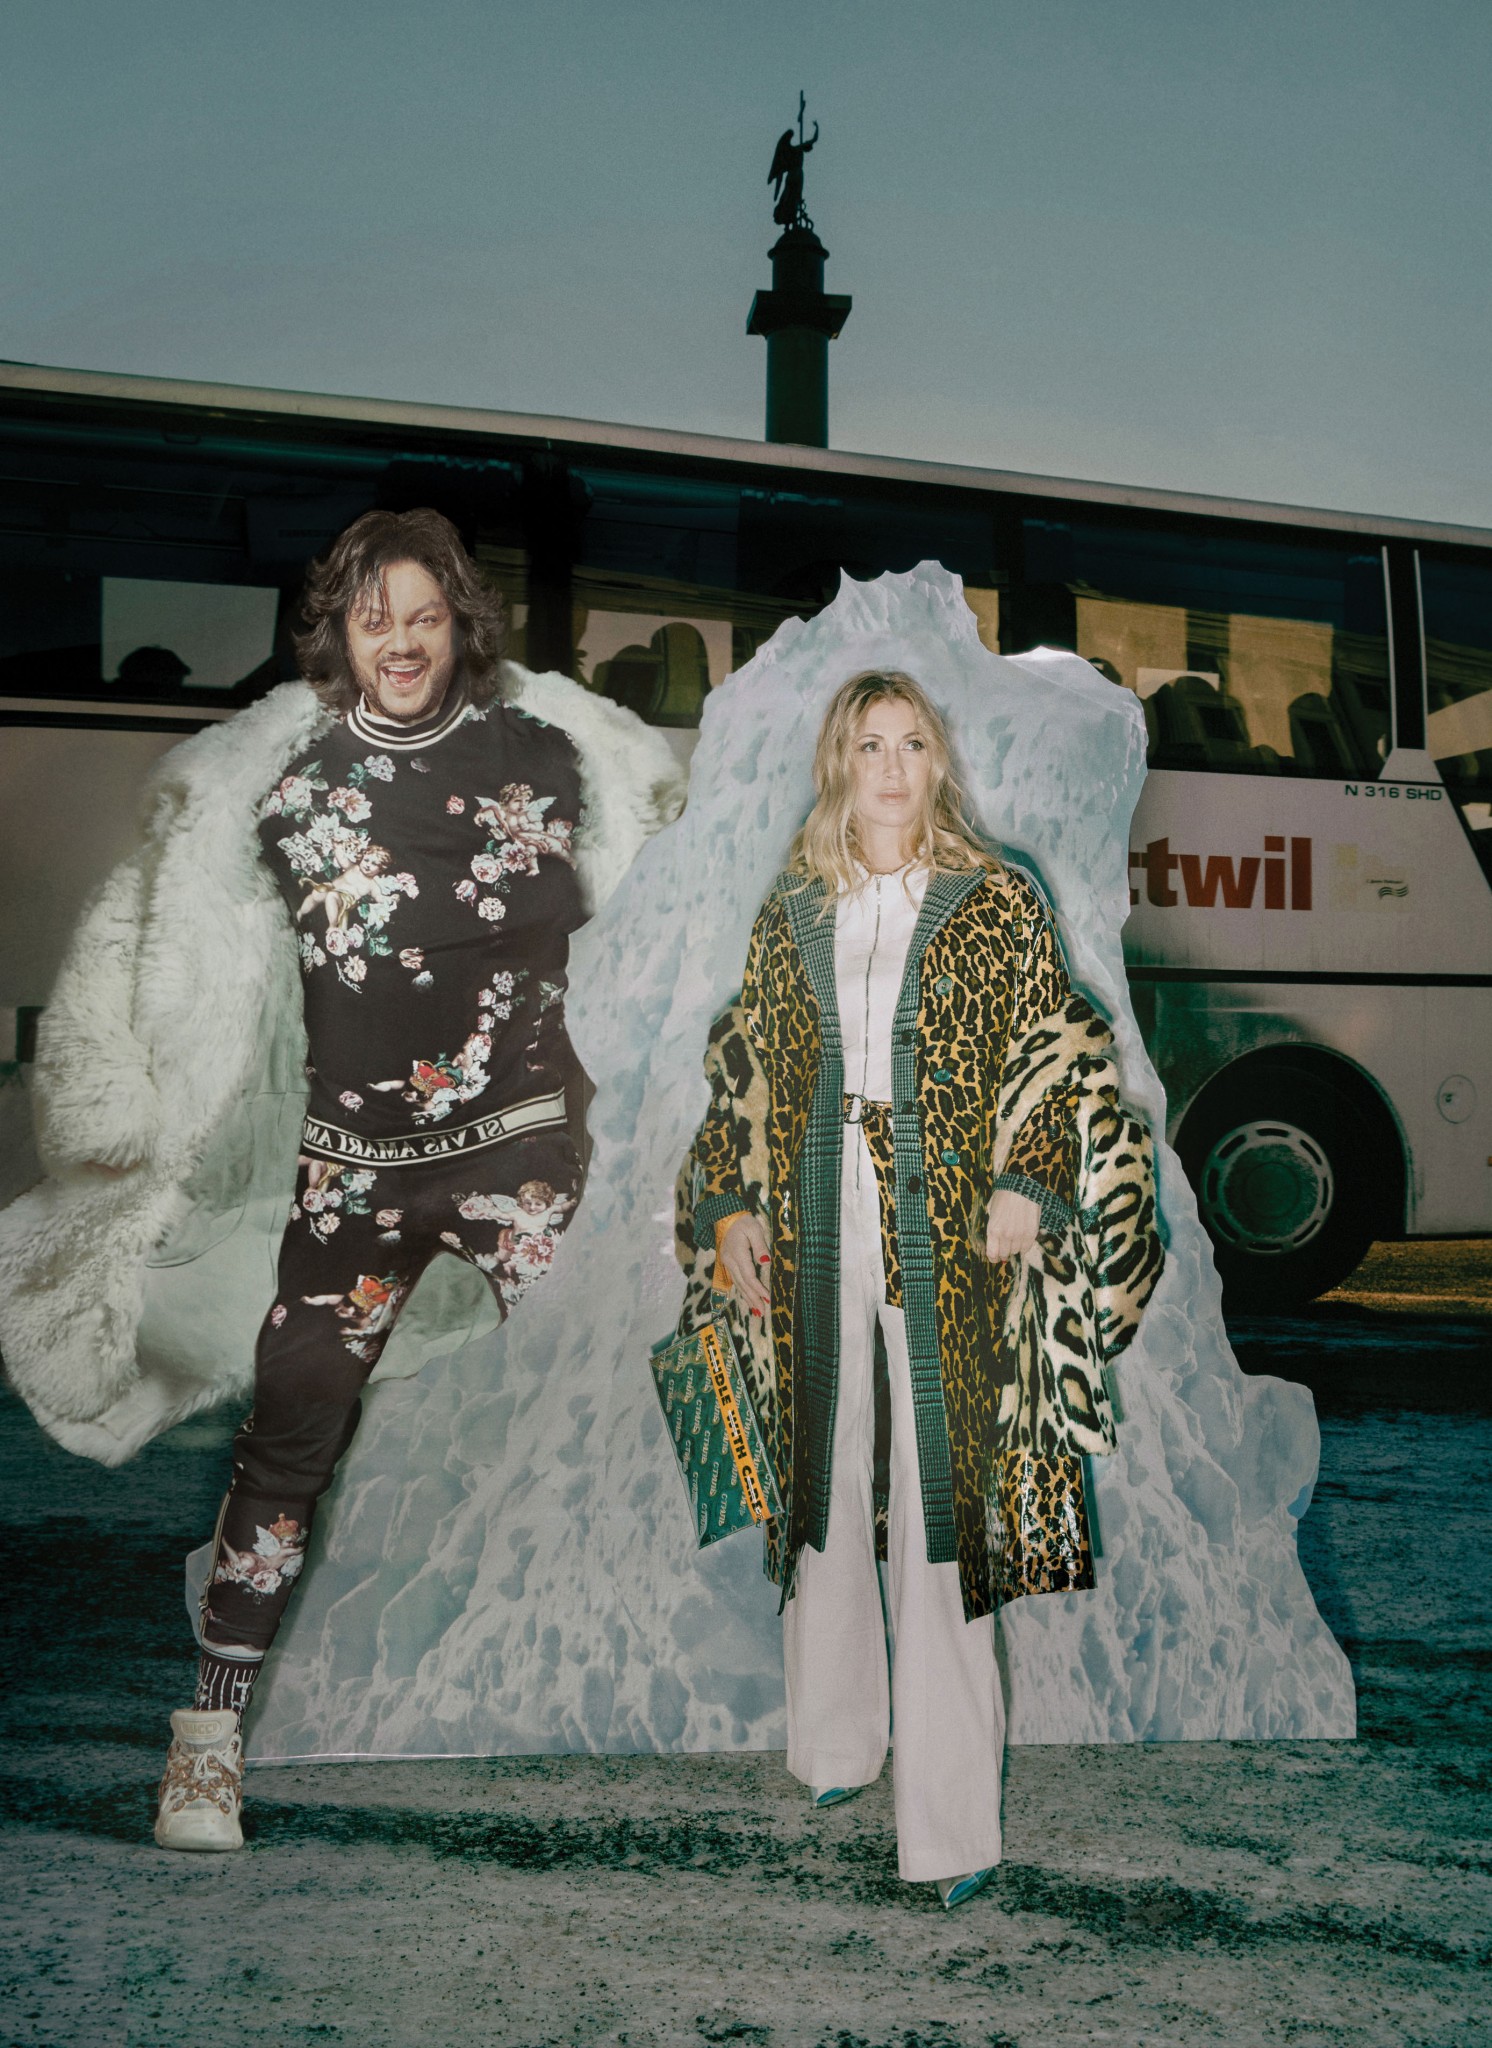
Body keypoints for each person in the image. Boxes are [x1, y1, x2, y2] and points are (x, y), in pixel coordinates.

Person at [0, 508, 684, 1852]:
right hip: (352, 1174)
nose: (402, 642)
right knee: (288, 1437)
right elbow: (159, 942)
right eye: (377, 619)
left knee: (627, 1378)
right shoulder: (276, 780)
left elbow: (659, 925)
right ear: (341, 632)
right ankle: (206, 1748)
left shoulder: (553, 756)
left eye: (424, 617)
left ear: (459, 626)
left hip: (526, 1150)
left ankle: (690, 1668)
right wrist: (124, 1102)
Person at [687, 669, 1114, 1909]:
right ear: (839, 762)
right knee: (819, 1473)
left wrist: (1030, 1175)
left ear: (937, 763)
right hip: (813, 1210)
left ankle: (950, 1820)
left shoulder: (996, 897)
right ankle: (833, 1741)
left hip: (951, 1226)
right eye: (867, 744)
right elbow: (743, 1063)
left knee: (942, 1505)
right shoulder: (795, 903)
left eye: (910, 743)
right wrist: (729, 1204)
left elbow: (1060, 1047)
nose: (888, 766)